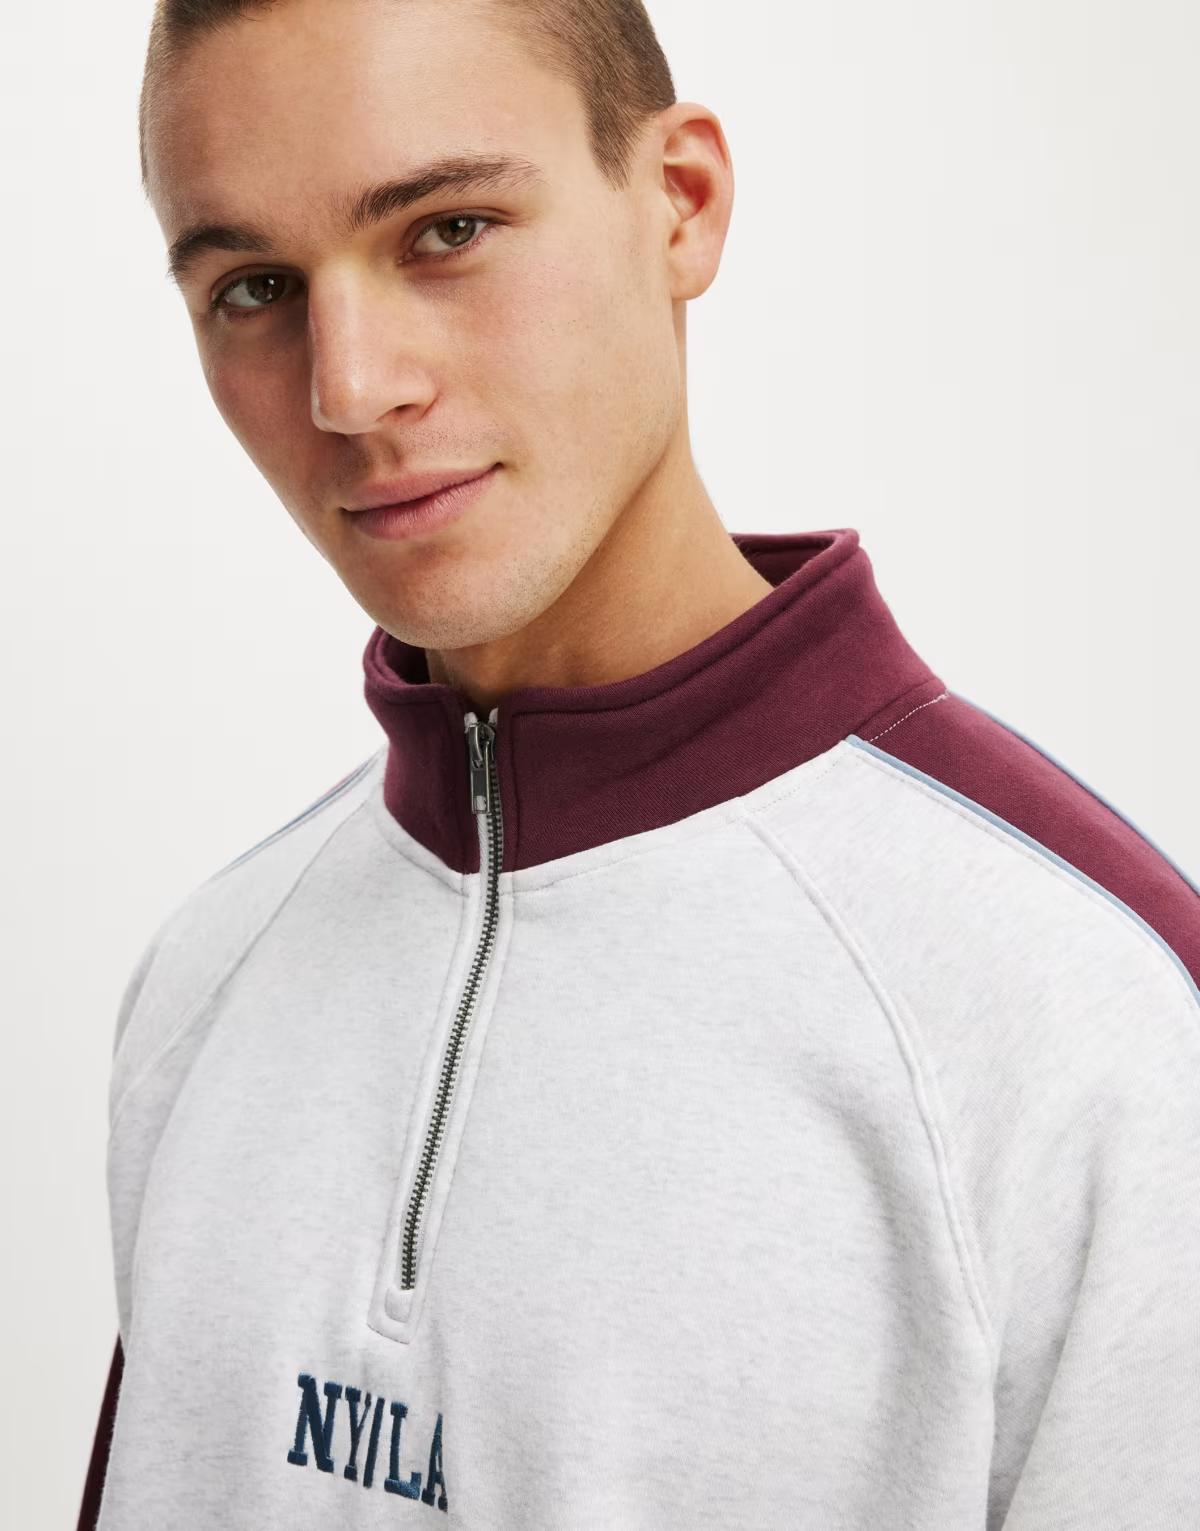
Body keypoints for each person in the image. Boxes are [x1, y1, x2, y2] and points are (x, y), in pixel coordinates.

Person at [79, 0, 1200, 1526]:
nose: (351, 387)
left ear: (679, 202)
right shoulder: (206, 981)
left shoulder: (1093, 1032)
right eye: (255, 287)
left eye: (447, 230)